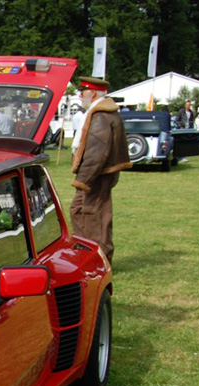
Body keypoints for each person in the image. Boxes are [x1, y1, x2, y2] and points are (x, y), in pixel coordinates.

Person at [70, 76, 131, 263]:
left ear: (93, 93)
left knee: (93, 216)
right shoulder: (104, 112)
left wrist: (83, 179)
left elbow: (97, 151)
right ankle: (87, 255)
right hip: (100, 174)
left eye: (83, 92)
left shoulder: (100, 115)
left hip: (97, 175)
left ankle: (97, 260)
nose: (80, 95)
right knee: (82, 212)